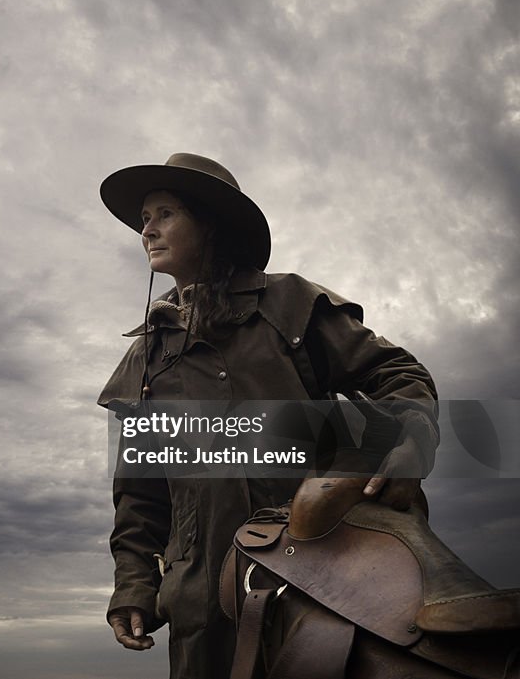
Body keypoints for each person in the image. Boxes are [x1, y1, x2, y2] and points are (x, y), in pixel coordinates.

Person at [97, 153, 438, 678]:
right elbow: (140, 495)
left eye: (164, 213)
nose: (147, 230)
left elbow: (398, 374)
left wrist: (407, 443)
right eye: (145, 219)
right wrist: (135, 589)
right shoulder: (145, 359)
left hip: (322, 582)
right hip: (200, 607)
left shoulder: (288, 305)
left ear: (210, 224)